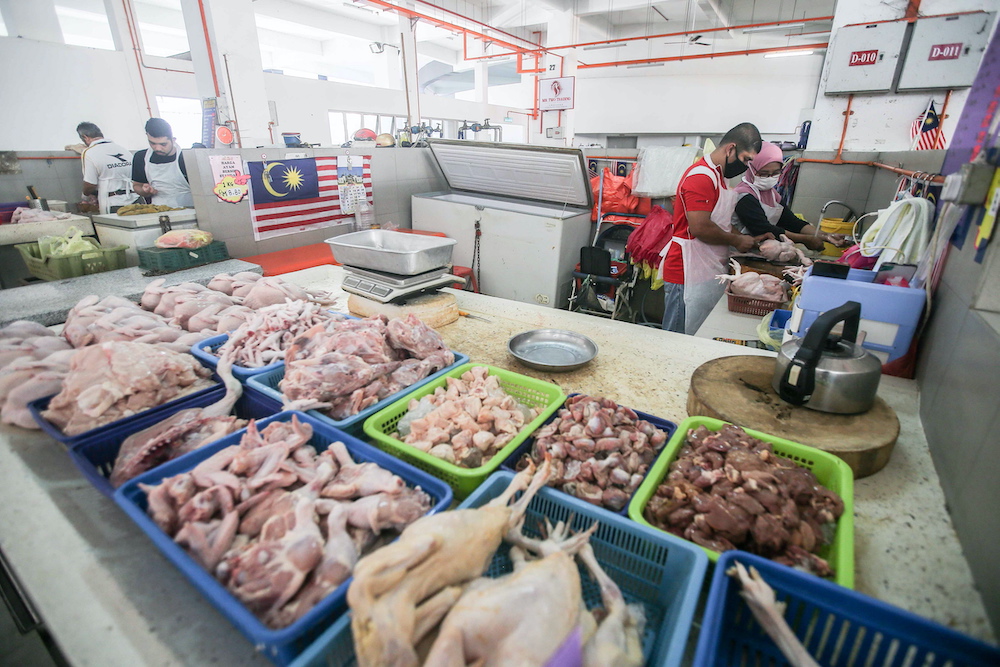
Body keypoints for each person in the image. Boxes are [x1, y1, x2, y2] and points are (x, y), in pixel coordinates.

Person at [660, 122, 772, 335]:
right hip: (686, 270)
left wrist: (749, 241)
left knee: (694, 334)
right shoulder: (701, 177)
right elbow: (700, 227)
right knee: (674, 339)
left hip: (705, 268)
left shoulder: (720, 178)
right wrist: (736, 241)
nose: (747, 166)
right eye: (746, 159)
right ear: (730, 148)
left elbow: (720, 223)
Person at [733, 141, 851, 251]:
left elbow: (792, 222)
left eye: (775, 173)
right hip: (740, 251)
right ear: (751, 170)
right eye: (763, 174)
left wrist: (825, 235)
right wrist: (805, 239)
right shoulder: (744, 196)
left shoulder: (772, 194)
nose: (770, 177)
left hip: (761, 250)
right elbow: (764, 228)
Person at [75, 122, 137, 214]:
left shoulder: (89, 152)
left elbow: (90, 184)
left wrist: (85, 197)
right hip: (136, 199)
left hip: (113, 204)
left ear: (85, 137)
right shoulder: (122, 149)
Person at [131, 118, 194, 208]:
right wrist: (145, 191)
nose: (157, 148)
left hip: (190, 210)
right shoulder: (141, 157)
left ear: (173, 139)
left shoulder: (186, 158)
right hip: (158, 211)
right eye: (152, 143)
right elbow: (137, 185)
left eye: (163, 144)